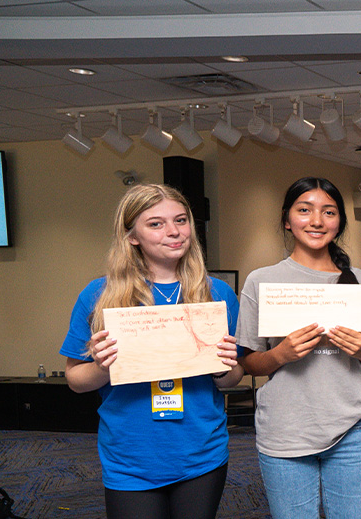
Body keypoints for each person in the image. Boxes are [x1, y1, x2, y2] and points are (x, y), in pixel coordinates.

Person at [61, 184, 242, 519]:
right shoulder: (99, 295)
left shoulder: (216, 293)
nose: (173, 231)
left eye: (181, 220)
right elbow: (75, 380)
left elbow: (233, 377)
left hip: (201, 452)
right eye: (156, 224)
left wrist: (222, 367)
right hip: (130, 456)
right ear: (132, 236)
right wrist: (102, 366)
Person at [236, 177, 361, 519]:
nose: (317, 221)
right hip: (286, 429)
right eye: (305, 210)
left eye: (329, 212)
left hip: (352, 429)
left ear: (340, 223)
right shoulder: (261, 280)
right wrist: (281, 354)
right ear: (287, 219)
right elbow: (249, 363)